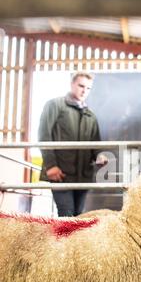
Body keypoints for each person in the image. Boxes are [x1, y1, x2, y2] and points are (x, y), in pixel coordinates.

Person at [38, 72, 108, 217]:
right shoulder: (54, 105)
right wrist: (50, 165)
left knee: (78, 216)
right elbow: (43, 135)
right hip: (60, 173)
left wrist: (100, 155)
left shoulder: (90, 115)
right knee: (66, 214)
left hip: (83, 175)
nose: (84, 91)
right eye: (81, 86)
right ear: (72, 84)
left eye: (88, 88)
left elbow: (95, 142)